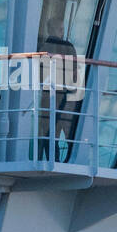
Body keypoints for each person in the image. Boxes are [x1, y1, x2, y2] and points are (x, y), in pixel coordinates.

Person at [37, 17, 79, 161]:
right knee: (68, 133)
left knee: (49, 132)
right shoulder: (69, 47)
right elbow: (75, 75)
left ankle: (51, 159)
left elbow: (38, 74)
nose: (62, 31)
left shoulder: (41, 48)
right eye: (60, 29)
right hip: (66, 97)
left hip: (48, 96)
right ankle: (69, 161)